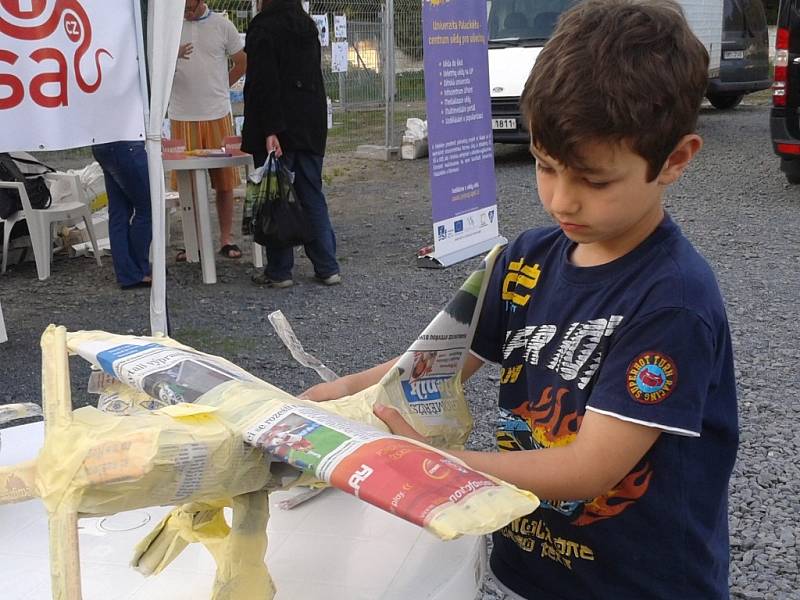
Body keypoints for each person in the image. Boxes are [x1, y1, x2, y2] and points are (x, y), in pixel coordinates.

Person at [301, 1, 738, 598]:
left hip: (638, 580)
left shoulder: (671, 301)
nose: (562, 201)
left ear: (676, 160)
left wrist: (437, 465)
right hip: (526, 564)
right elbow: (439, 360)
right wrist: (341, 392)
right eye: (544, 166)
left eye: (595, 180)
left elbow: (590, 468)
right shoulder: (525, 259)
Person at [242, 0, 341, 288]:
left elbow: (265, 82)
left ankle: (280, 270)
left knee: (276, 196)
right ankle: (327, 265)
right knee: (311, 194)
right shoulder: (306, 25)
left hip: (279, 125)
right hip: (309, 123)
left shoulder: (263, 27)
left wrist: (270, 129)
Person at [169, 0, 247, 260]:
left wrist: (223, 86)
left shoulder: (222, 25)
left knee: (224, 182)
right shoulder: (169, 28)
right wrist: (172, 56)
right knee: (186, 183)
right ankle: (194, 241)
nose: (186, 12)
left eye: (189, 7)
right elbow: (155, 67)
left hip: (217, 112)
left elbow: (241, 60)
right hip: (182, 113)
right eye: (182, 7)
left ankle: (226, 239)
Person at [91, 141, 152, 290]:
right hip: (126, 143)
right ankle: (137, 270)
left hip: (101, 144)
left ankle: (127, 272)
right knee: (147, 208)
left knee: (119, 212)